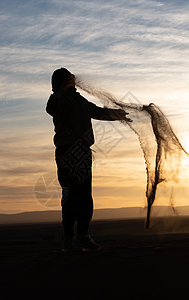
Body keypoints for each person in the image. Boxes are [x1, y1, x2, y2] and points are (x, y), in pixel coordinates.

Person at [46, 68, 130, 251]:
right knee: (70, 196)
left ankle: (83, 235)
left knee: (85, 196)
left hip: (83, 154)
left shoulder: (80, 101)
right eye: (68, 80)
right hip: (67, 153)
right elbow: (51, 108)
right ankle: (69, 239)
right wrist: (59, 92)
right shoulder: (58, 100)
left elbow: (98, 112)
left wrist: (119, 114)